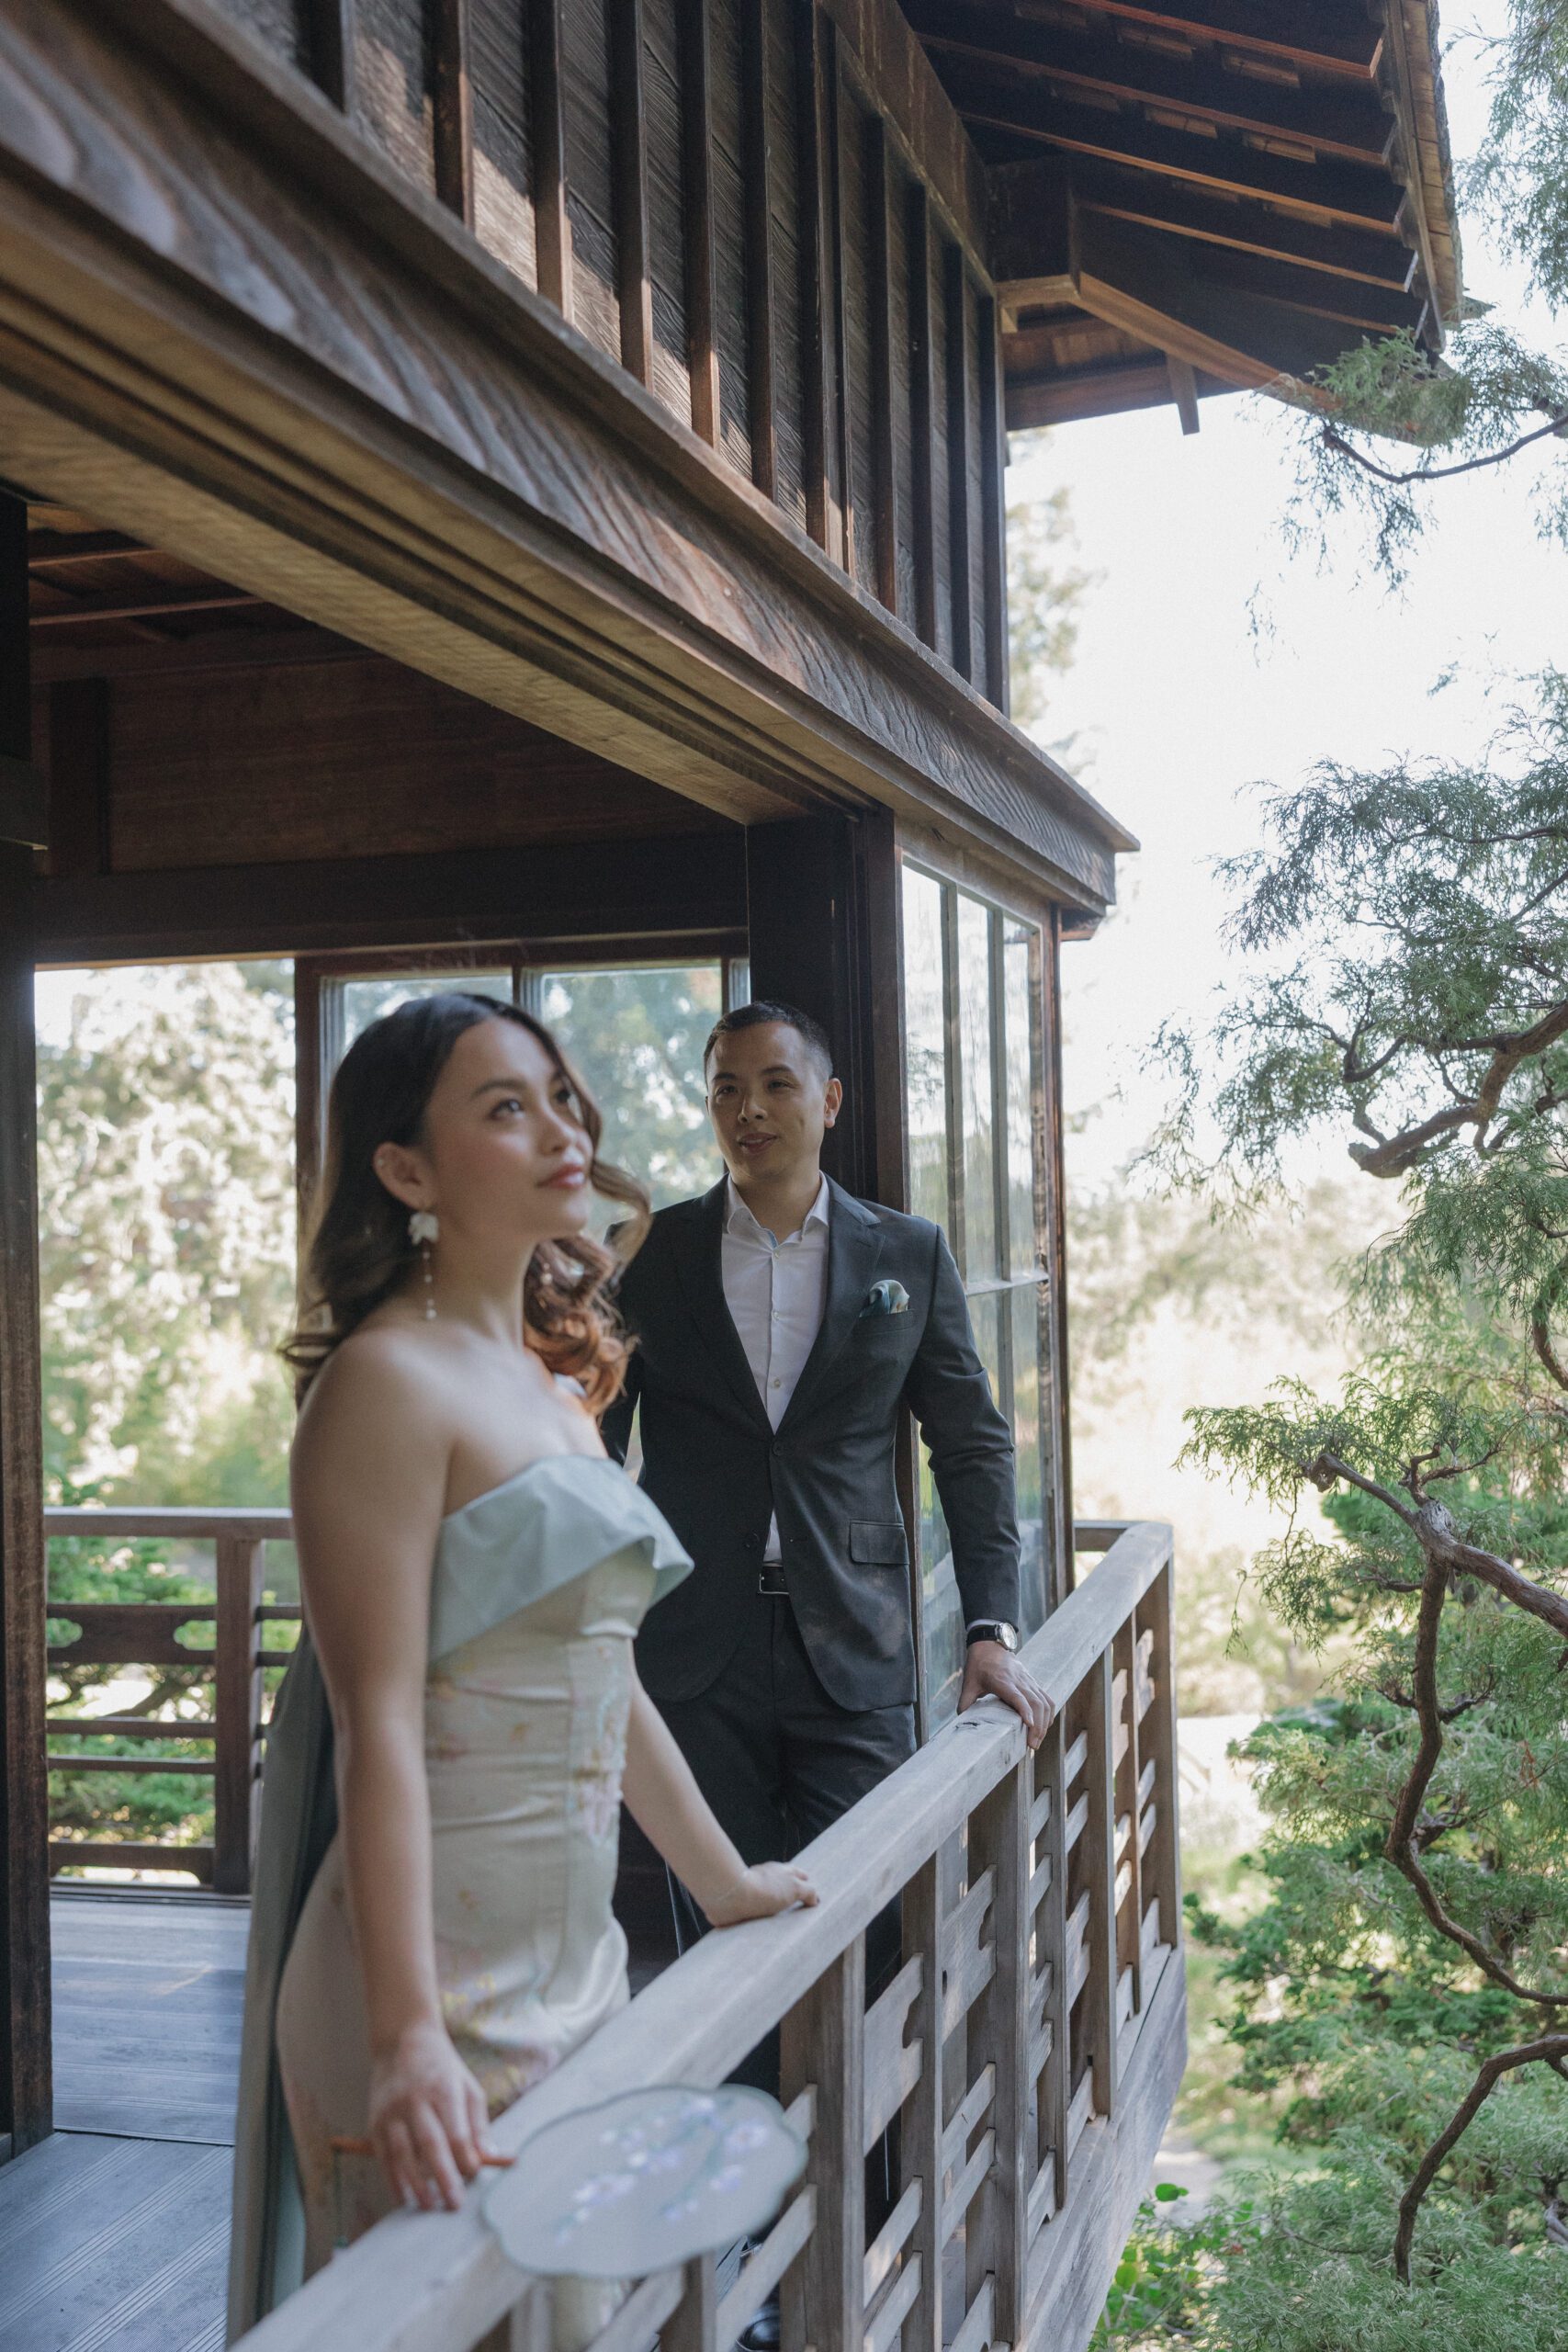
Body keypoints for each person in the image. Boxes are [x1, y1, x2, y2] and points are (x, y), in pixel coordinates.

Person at [227, 993, 815, 2341]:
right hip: (426, 1991)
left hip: (576, 1970)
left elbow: (602, 1682)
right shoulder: (382, 1386)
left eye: (558, 1095)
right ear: (407, 1172)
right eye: (504, 1106)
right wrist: (404, 2039)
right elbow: (376, 1726)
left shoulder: (556, 1391)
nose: (560, 1128)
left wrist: (721, 1883)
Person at [603, 996, 1051, 1970]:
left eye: (775, 1083)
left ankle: (866, 2136)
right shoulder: (648, 1255)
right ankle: (748, 2125)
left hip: (855, 1648)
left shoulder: (906, 1253)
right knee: (716, 1953)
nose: (749, 1109)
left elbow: (971, 1445)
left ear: (830, 1100)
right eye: (727, 1087)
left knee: (869, 1937)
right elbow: (586, 1451)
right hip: (690, 1648)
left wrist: (990, 1627)